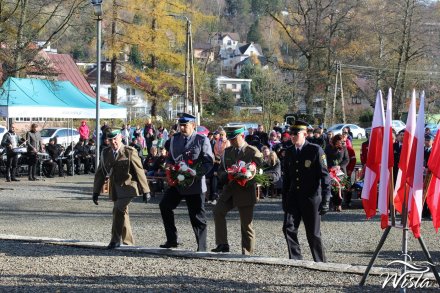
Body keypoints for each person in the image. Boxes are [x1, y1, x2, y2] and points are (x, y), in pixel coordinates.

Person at [159, 113, 214, 251]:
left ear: (193, 125)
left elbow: (209, 162)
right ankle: (172, 240)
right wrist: (168, 166)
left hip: (194, 183)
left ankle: (201, 247)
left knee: (197, 216)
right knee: (165, 206)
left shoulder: (201, 140)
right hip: (177, 182)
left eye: (185, 125)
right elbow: (170, 158)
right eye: (180, 125)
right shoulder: (174, 139)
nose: (182, 128)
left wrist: (197, 173)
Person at [282, 120, 331, 262]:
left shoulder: (315, 150)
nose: (292, 136)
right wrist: (284, 200)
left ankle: (320, 262)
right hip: (293, 197)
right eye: (291, 134)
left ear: (304, 134)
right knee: (288, 228)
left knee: (313, 233)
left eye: (295, 134)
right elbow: (287, 179)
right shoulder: (289, 152)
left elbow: (325, 177)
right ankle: (296, 258)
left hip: (311, 198)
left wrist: (326, 199)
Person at [92, 129, 150, 249]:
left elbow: (139, 171)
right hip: (115, 188)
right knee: (123, 213)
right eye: (110, 140)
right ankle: (129, 243)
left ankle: (115, 240)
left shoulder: (129, 151)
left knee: (118, 210)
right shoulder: (105, 153)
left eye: (115, 139)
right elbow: (100, 173)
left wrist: (146, 190)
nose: (113, 142)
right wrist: (96, 192)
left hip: (129, 187)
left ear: (121, 138)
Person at [212, 125, 264, 255]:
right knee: (218, 211)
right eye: (231, 139)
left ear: (242, 136)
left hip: (245, 191)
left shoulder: (253, 152)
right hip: (230, 189)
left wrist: (247, 176)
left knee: (246, 224)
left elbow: (262, 172)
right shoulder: (228, 151)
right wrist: (227, 175)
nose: (232, 141)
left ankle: (247, 252)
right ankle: (222, 244)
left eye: (234, 139)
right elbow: (221, 171)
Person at [325, 134, 349, 212]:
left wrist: (339, 166)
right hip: (331, 170)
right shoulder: (328, 148)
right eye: (338, 141)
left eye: (341, 141)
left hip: (341, 171)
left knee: (340, 188)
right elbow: (325, 159)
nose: (340, 143)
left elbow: (346, 159)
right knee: (333, 188)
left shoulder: (344, 148)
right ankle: (334, 204)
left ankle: (339, 204)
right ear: (335, 141)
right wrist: (330, 167)